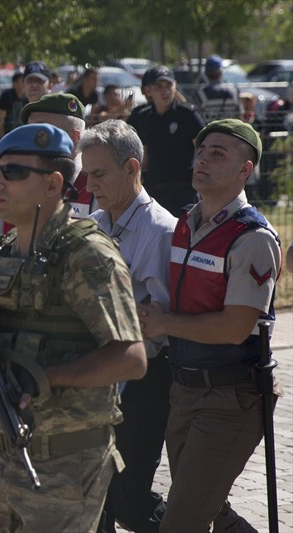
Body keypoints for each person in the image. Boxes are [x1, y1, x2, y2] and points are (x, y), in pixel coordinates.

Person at [0, 123, 146, 531]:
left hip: (64, 461)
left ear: (54, 183)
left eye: (13, 172)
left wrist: (44, 377)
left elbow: (131, 358)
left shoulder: (86, 254)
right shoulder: (0, 254)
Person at [138, 119, 281, 533]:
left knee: (182, 520)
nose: (202, 159)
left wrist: (164, 323)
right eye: (201, 151)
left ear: (245, 170)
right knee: (209, 508)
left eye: (218, 153)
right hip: (184, 390)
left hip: (229, 398)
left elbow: (235, 328)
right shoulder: (186, 222)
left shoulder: (253, 237)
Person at [78, 120, 176, 533]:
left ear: (132, 168)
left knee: (129, 499)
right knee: (94, 496)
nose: (89, 184)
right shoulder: (94, 223)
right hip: (98, 376)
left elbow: (157, 322)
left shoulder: (161, 231)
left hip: (143, 381)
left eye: (99, 174)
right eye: (86, 174)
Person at [0, 93, 95, 253]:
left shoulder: (95, 184)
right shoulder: (15, 183)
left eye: (42, 132)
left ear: (74, 137)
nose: (29, 139)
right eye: (28, 129)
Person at [127, 65, 205, 216]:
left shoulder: (187, 114)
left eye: (169, 85)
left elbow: (204, 148)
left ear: (175, 86)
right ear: (149, 90)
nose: (165, 91)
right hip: (154, 192)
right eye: (159, 86)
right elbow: (141, 153)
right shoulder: (144, 117)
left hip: (184, 192)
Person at [195, 55, 242, 123]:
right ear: (221, 72)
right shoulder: (234, 91)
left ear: (206, 73)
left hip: (210, 129)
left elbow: (198, 117)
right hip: (230, 129)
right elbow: (239, 115)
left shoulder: (200, 93)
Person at [0, 72, 25, 139]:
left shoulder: (28, 96)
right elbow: (0, 119)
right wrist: (2, 137)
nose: (24, 84)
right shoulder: (6, 96)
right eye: (22, 81)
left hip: (24, 133)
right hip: (8, 134)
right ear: (14, 83)